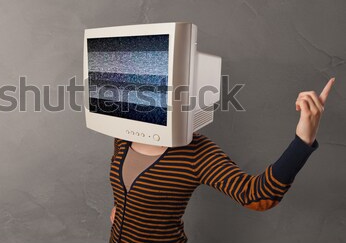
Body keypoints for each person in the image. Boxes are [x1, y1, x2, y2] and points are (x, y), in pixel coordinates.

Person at [109, 78, 335, 243]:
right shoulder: (123, 136)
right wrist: (123, 209)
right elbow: (128, 184)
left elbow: (259, 195)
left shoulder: (196, 152)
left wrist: (303, 140)